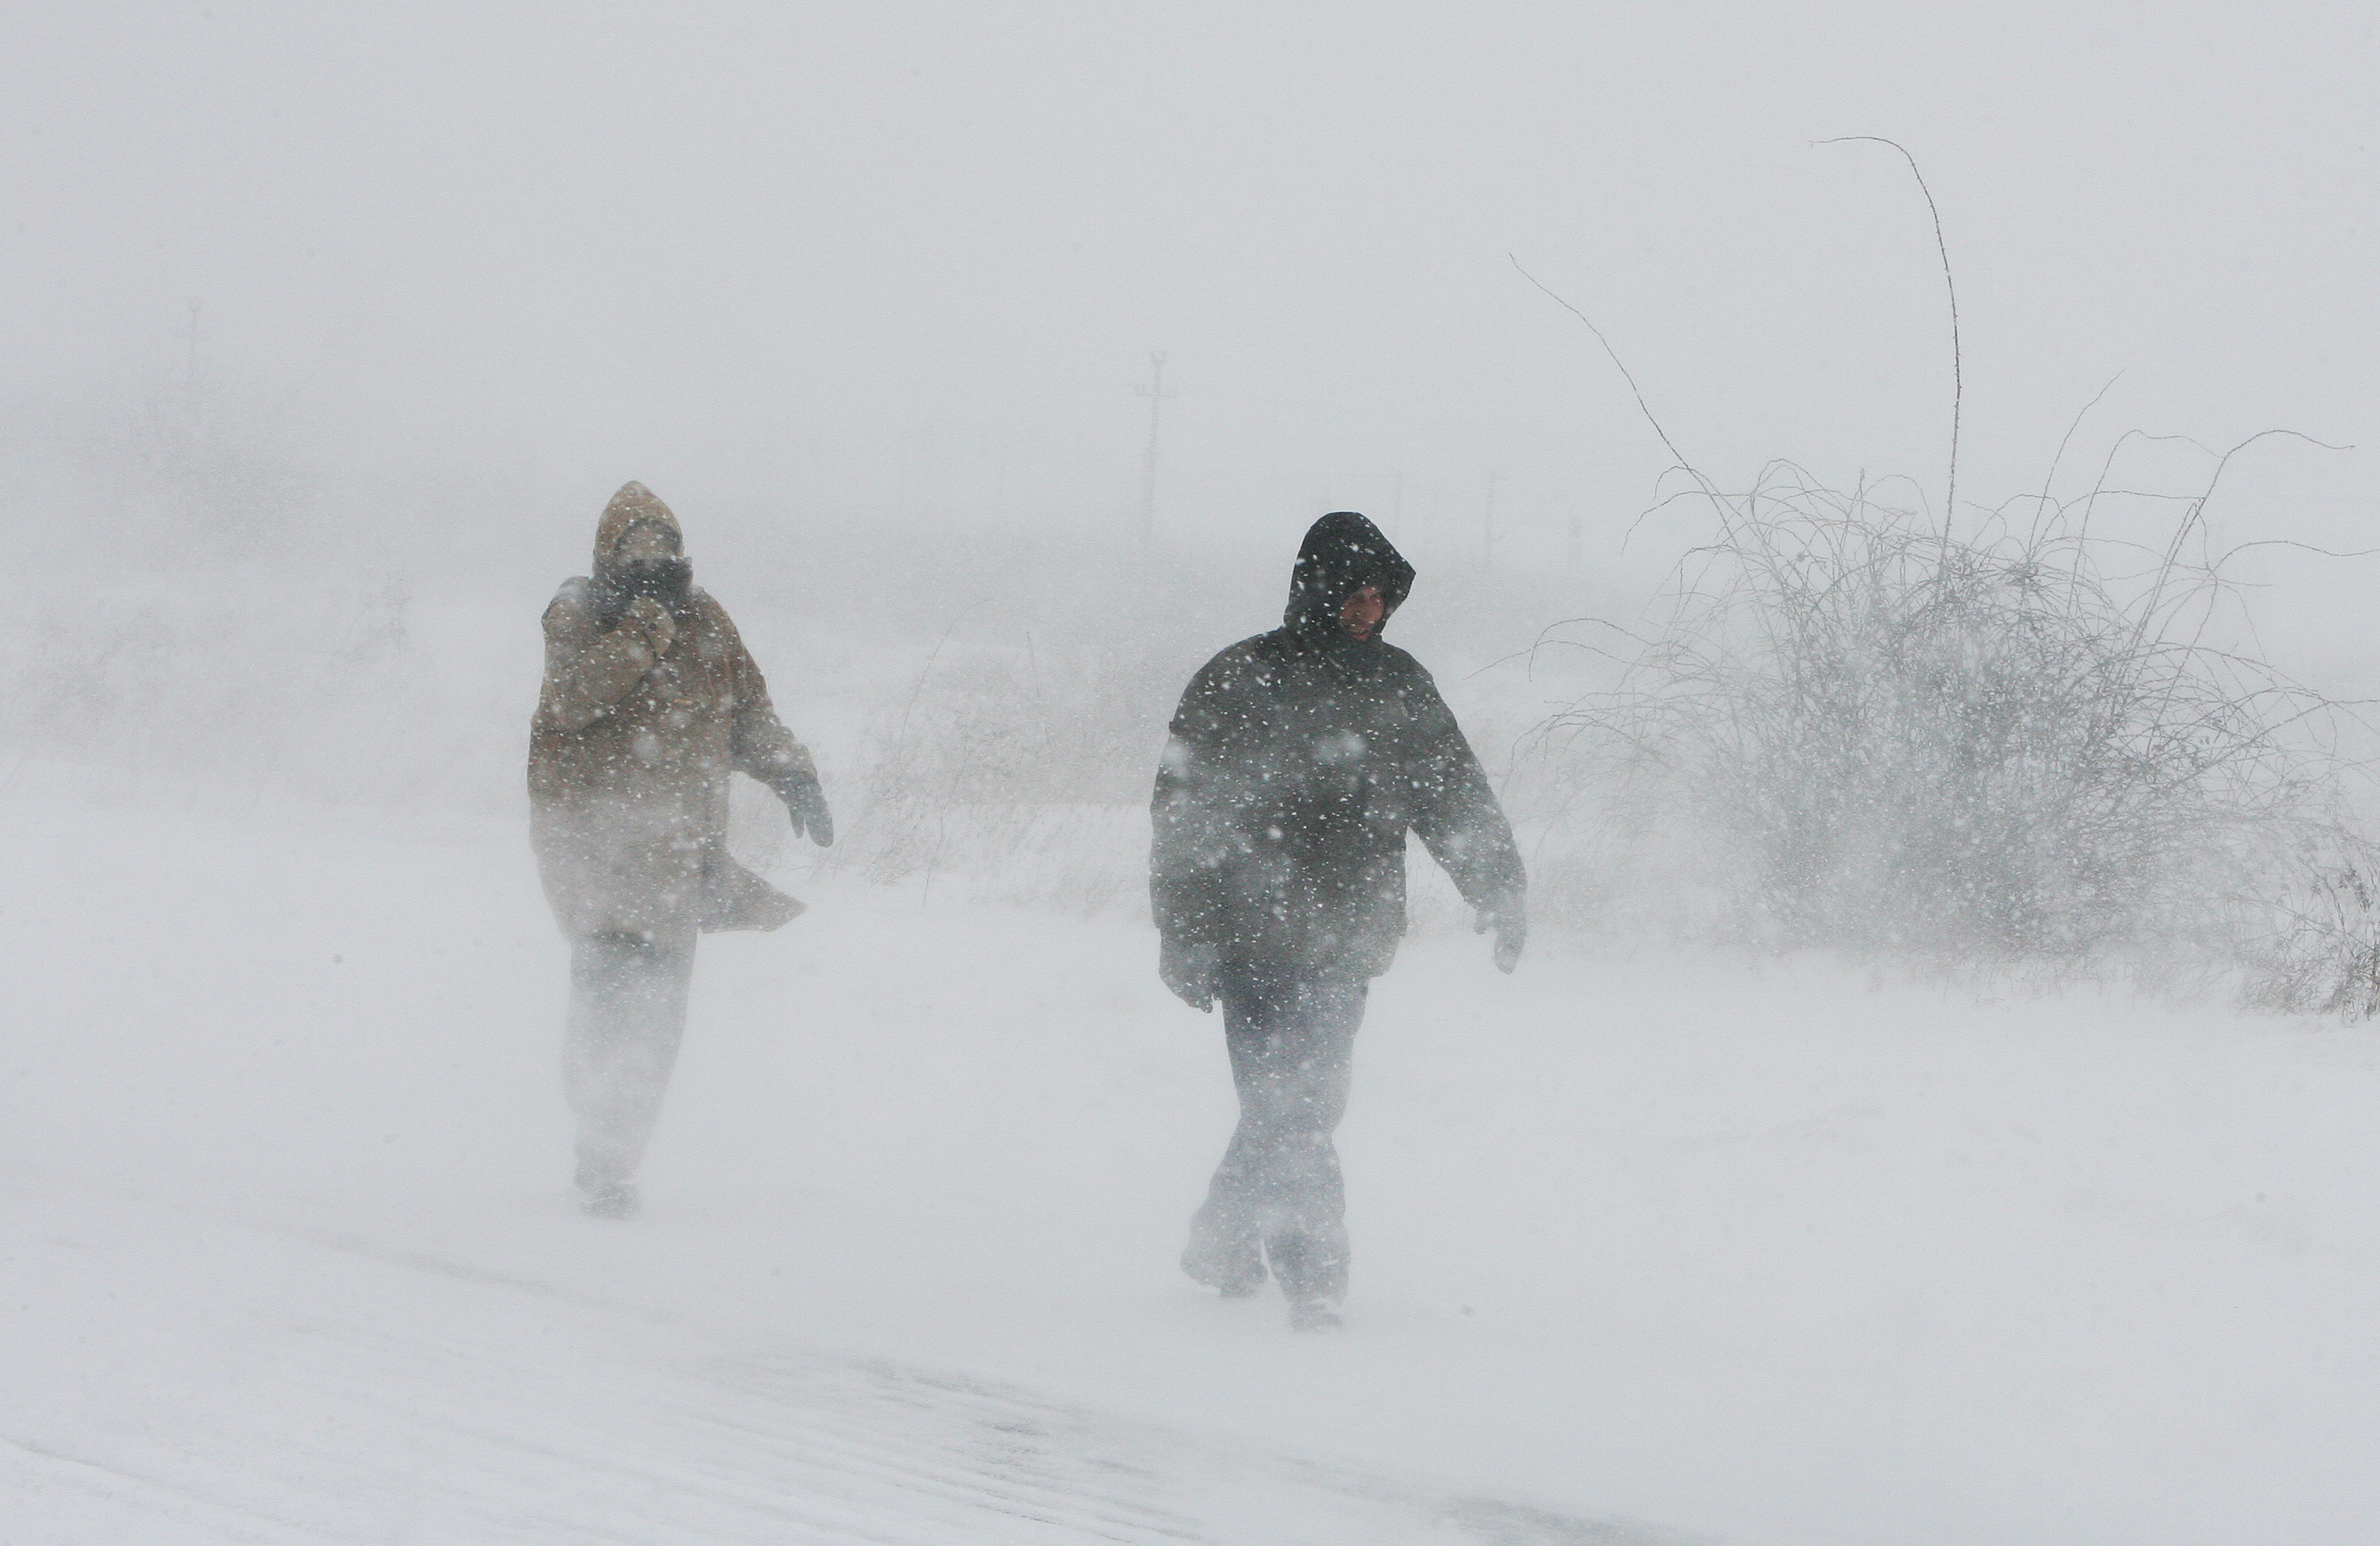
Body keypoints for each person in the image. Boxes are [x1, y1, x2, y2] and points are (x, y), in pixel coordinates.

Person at [1149, 511, 1526, 1329]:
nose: (1369, 613)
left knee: (1303, 1104)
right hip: (1251, 935)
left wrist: (1498, 885)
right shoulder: (1241, 677)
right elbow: (1185, 812)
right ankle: (1314, 1274)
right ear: (1318, 590)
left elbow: (1450, 789)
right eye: (1354, 597)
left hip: (1347, 939)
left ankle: (1220, 1236)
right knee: (1292, 1106)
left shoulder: (1396, 683)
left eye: (1380, 599)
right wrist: (1183, 929)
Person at [528, 482, 833, 1218]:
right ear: (607, 551)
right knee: (608, 998)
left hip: (677, 856)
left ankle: (618, 1148)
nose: (650, 558)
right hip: (597, 850)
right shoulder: (580, 613)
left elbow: (748, 710)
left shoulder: (705, 618)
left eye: (662, 544)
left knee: (660, 1014)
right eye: (633, 546)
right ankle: (598, 1143)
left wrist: (792, 769)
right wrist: (640, 629)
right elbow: (571, 702)